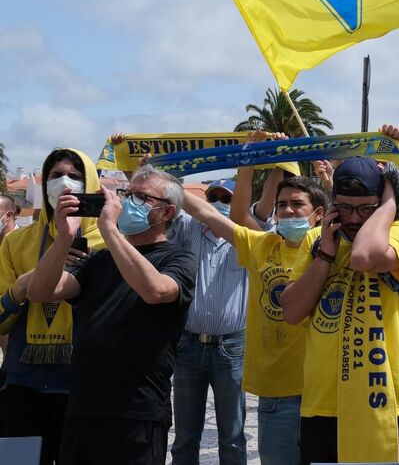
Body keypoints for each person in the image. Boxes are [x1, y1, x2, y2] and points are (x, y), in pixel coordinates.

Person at [27, 165, 196, 464]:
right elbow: (40, 292)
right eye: (126, 194)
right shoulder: (101, 259)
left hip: (135, 413)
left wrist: (109, 230)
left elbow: (155, 290)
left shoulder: (178, 258)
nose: (127, 203)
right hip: (82, 408)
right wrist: (64, 237)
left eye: (141, 197)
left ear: (168, 212)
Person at [279, 141, 399, 464]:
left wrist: (389, 204)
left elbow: (362, 257)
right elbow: (292, 311)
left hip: (385, 401)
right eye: (344, 207)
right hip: (323, 403)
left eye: (365, 208)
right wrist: (326, 255)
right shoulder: (317, 240)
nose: (354, 218)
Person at [181, 159, 327, 465]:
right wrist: (246, 161)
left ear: (318, 215)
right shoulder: (263, 245)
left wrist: (330, 180)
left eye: (297, 205)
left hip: (322, 390)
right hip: (276, 393)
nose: (287, 211)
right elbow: (214, 213)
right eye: (281, 205)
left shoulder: (328, 246)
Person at [0, 148, 105, 465]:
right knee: (17, 462)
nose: (65, 183)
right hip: (22, 384)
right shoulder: (16, 243)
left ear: (90, 184)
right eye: (55, 175)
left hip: (86, 388)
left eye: (74, 176)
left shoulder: (110, 242)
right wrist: (23, 286)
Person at [169, 178, 249, 465]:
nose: (218, 203)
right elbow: (164, 200)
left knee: (233, 436)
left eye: (226, 198)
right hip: (188, 345)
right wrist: (137, 169)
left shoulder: (247, 237)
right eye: (213, 196)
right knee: (185, 436)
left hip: (231, 348)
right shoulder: (187, 230)